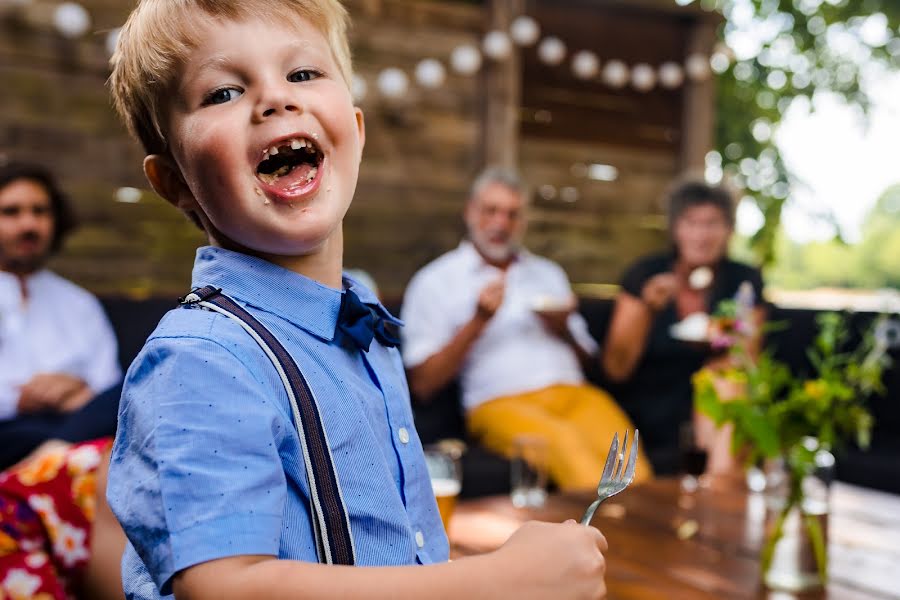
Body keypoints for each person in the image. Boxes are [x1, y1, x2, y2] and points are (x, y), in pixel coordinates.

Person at [104, 2, 609, 599]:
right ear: (176, 182)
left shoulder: (360, 331)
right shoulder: (202, 359)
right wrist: (497, 581)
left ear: (356, 133)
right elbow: (226, 588)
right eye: (222, 92)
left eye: (302, 74)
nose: (274, 99)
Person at [401, 168, 651, 492]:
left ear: (524, 221)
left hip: (574, 394)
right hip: (500, 402)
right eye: (491, 211)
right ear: (470, 212)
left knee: (630, 461)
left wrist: (563, 329)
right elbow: (422, 384)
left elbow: (591, 364)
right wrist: (478, 321)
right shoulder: (435, 281)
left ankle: (647, 539)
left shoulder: (548, 273)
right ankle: (610, 541)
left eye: (513, 214)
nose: (501, 223)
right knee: (572, 454)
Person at [602, 180, 765, 474]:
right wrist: (648, 311)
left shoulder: (743, 280)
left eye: (712, 224)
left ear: (729, 229)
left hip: (717, 407)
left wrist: (725, 343)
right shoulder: (646, 275)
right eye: (691, 223)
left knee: (725, 386)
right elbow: (617, 368)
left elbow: (748, 361)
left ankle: (716, 492)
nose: (701, 235)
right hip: (655, 405)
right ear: (675, 229)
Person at [0, 162, 122, 470]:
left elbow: (109, 390)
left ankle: (39, 465)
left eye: (40, 212)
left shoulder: (80, 303)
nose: (29, 224)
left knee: (133, 388)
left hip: (74, 433)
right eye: (11, 212)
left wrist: (75, 393)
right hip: (9, 433)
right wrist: (17, 400)